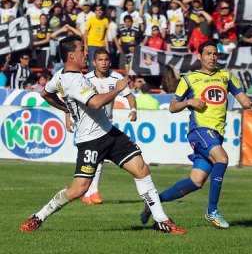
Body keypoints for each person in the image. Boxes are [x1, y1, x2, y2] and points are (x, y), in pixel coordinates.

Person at [19, 35, 186, 235]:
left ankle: (161, 220)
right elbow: (96, 103)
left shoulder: (60, 76)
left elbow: (45, 94)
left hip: (109, 132)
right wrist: (116, 90)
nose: (85, 53)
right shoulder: (75, 80)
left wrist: (66, 109)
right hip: (90, 141)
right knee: (78, 190)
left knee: (141, 169)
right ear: (71, 54)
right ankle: (38, 217)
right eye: (82, 49)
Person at [139, 40, 252, 228]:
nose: (212, 57)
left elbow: (242, 98)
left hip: (216, 133)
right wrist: (189, 102)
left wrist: (250, 104)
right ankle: (212, 211)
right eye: (208, 53)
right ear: (199, 56)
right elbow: (173, 107)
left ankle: (154, 202)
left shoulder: (226, 76)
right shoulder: (189, 79)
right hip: (200, 131)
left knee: (196, 181)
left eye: (215, 54)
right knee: (222, 158)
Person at [74, 48, 137, 204]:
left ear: (110, 61)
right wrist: (68, 117)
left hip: (106, 123)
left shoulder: (116, 78)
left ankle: (91, 192)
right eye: (100, 60)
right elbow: (72, 100)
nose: (103, 63)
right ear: (94, 62)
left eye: (106, 60)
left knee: (99, 157)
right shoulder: (86, 78)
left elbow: (129, 96)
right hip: (88, 124)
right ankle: (90, 192)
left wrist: (133, 110)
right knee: (96, 158)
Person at [84, 4, 109, 71]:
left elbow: (106, 35)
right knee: (92, 64)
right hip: (92, 44)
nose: (99, 11)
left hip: (102, 45)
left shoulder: (105, 20)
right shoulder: (91, 19)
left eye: (100, 9)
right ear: (95, 11)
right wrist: (85, 45)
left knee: (102, 64)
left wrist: (107, 47)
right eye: (97, 10)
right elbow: (86, 33)